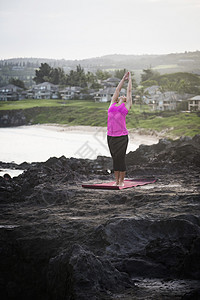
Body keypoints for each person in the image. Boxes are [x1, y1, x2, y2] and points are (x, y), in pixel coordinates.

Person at [107, 71, 132, 186]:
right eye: (120, 96)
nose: (122, 95)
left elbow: (129, 91)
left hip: (121, 137)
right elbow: (117, 90)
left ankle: (121, 181)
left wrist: (130, 79)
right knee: (114, 158)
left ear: (126, 99)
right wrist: (123, 79)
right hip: (110, 136)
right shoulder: (112, 105)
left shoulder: (126, 107)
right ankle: (116, 180)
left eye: (124, 96)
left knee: (121, 159)